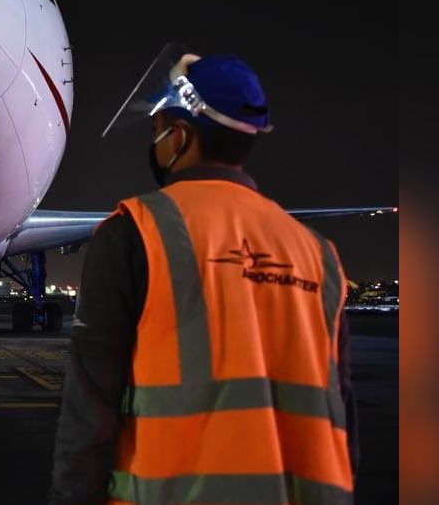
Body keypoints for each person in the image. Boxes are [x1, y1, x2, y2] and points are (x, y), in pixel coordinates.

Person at [50, 50, 357, 504]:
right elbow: (342, 414)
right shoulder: (318, 255)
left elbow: (90, 413)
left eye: (157, 129)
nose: (154, 141)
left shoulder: (134, 233)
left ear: (180, 135)